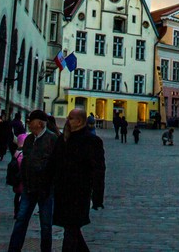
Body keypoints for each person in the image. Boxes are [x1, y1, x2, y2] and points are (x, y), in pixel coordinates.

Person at [52, 108, 106, 252]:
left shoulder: (92, 142)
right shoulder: (63, 139)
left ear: (79, 121)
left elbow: (98, 171)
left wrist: (97, 196)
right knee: (72, 230)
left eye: (70, 118)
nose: (67, 120)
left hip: (79, 193)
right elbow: (53, 164)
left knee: (71, 230)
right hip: (62, 192)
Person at [8, 110, 57, 252]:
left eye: (31, 121)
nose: (29, 124)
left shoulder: (52, 139)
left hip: (45, 190)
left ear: (40, 123)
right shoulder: (29, 140)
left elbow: (55, 165)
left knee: (46, 224)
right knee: (21, 220)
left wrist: (49, 184)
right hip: (28, 188)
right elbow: (25, 162)